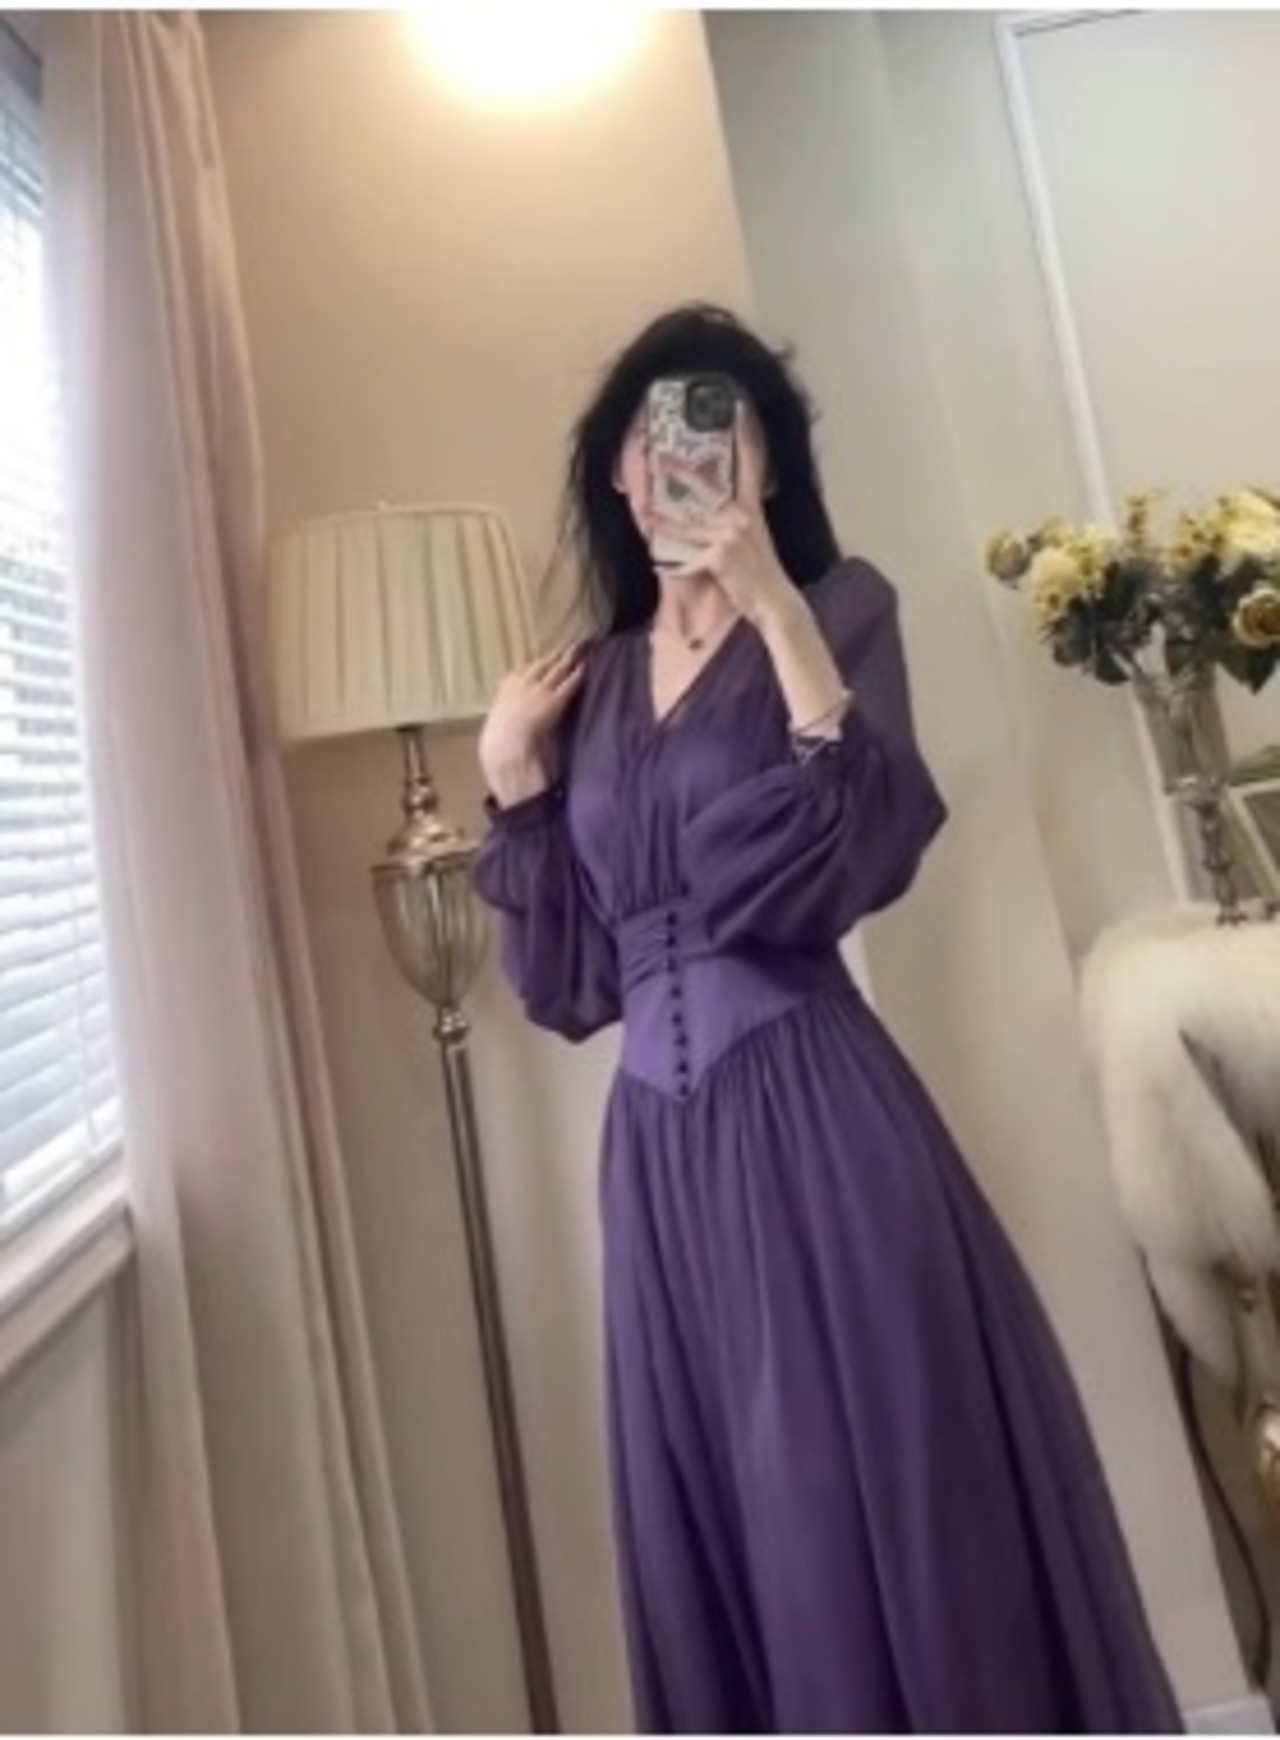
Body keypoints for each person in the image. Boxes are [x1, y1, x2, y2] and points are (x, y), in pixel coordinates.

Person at [473, 304, 1181, 1734]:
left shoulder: (838, 609)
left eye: (718, 437)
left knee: (868, 1493)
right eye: (655, 441)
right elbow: (572, 981)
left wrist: (777, 610)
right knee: (733, 1512)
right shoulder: (588, 688)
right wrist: (511, 781)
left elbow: (861, 850)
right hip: (658, 1164)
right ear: (619, 473)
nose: (682, 465)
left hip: (813, 1117)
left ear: (765, 469)